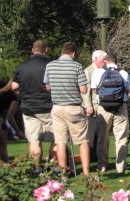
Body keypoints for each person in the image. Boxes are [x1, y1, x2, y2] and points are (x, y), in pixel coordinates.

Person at [44, 42, 92, 176]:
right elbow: (83, 89)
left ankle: (63, 173)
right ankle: (87, 173)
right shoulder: (76, 66)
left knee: (60, 141)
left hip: (57, 107)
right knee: (82, 141)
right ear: (74, 54)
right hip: (73, 107)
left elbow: (48, 86)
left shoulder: (50, 65)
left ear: (62, 51)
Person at [12, 40, 56, 167]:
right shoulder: (50, 65)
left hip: (28, 108)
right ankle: (53, 167)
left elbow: (14, 86)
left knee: (34, 140)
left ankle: (37, 168)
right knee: (56, 138)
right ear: (46, 50)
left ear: (32, 50)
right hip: (47, 107)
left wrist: (25, 91)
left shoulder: (22, 66)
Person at [91, 52, 130, 173]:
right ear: (116, 60)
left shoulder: (98, 72)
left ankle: (102, 165)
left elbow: (94, 90)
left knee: (103, 137)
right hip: (120, 107)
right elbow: (127, 90)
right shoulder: (123, 73)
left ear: (105, 61)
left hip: (103, 108)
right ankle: (120, 167)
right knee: (121, 138)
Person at [0, 80, 24, 162]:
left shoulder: (0, 92)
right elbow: (9, 116)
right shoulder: (14, 97)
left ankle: (5, 163)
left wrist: (4, 125)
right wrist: (18, 131)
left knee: (3, 140)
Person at [82, 50, 107, 162]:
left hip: (101, 105)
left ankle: (98, 156)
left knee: (101, 133)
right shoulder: (88, 71)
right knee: (91, 134)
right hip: (93, 106)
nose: (105, 62)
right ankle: (91, 157)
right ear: (95, 59)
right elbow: (85, 91)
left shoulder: (103, 70)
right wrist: (88, 106)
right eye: (103, 59)